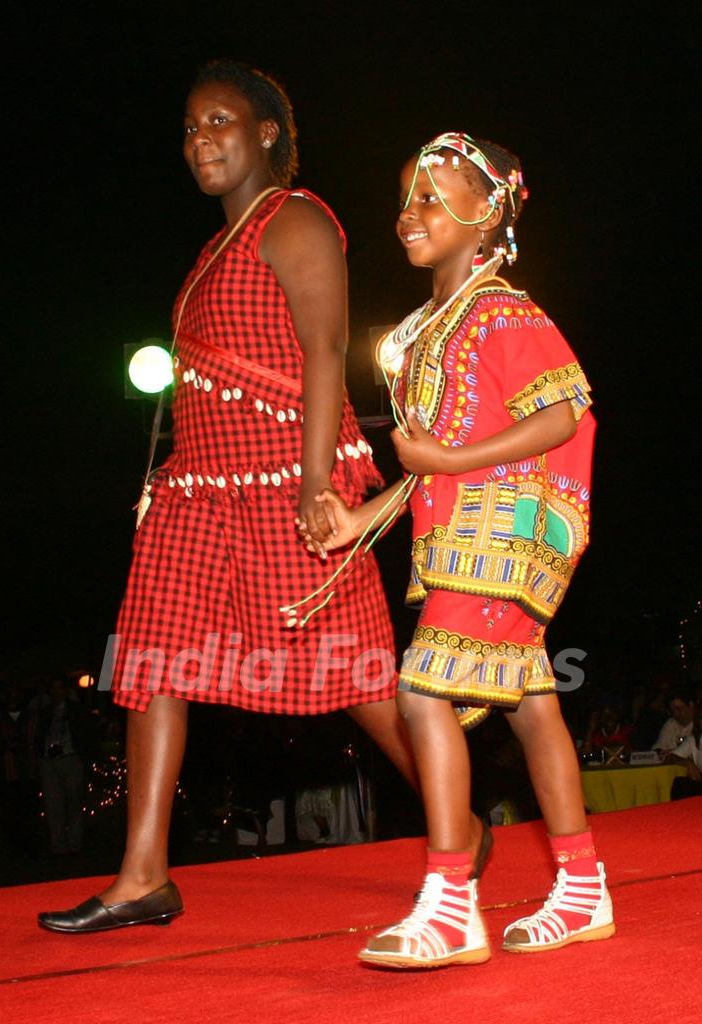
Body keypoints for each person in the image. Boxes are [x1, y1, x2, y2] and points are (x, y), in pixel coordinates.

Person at [38, 62, 487, 935]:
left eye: (221, 121)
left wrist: (319, 487)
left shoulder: (298, 220)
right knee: (150, 662)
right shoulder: (215, 246)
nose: (200, 138)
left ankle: (462, 825)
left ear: (268, 132)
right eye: (190, 126)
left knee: (358, 680)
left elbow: (325, 353)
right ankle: (142, 876)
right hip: (198, 487)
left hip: (286, 485)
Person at [304, 131, 615, 967]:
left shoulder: (501, 308)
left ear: (490, 214)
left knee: (420, 694)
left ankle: (450, 903)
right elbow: (423, 469)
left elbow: (565, 411)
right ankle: (582, 888)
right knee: (534, 698)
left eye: (435, 196)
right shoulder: (423, 333)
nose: (413, 213)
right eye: (407, 197)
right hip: (466, 527)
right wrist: (358, 519)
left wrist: (447, 461)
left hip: (507, 533)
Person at [35, 678, 93, 854]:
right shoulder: (45, 712)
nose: (56, 692)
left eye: (59, 688)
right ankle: (58, 845)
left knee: (74, 801)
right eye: (53, 688)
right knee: (53, 803)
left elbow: (85, 733)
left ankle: (75, 844)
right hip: (49, 761)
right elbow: (39, 735)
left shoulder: (76, 710)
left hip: (70, 758)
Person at [652, 688, 697, 755]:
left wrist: (671, 752)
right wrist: (659, 751)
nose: (675, 714)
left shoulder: (698, 724)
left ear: (691, 705)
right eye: (673, 710)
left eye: (679, 709)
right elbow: (659, 745)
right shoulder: (671, 723)